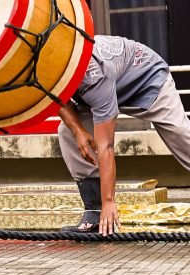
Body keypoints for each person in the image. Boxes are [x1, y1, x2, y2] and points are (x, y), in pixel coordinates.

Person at [57, 35, 190, 235]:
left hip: (147, 79)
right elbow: (55, 96)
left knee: (182, 135)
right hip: (108, 86)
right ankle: (94, 211)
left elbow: (106, 147)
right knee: (66, 131)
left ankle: (104, 207)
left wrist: (110, 201)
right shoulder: (50, 61)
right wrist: (79, 131)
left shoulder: (95, 75)